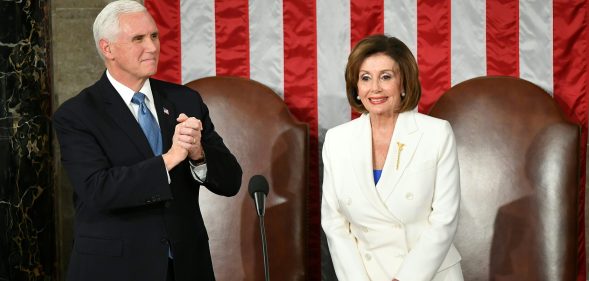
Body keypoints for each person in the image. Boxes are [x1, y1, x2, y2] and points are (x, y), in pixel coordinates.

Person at [53, 1, 242, 280]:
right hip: (115, 268)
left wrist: (197, 153)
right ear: (108, 49)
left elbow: (231, 182)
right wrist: (171, 158)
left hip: (186, 266)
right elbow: (98, 190)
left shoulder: (185, 100)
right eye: (138, 39)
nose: (152, 47)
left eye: (154, 36)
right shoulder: (77, 114)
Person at [321, 34, 463, 281]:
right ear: (356, 87)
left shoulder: (436, 134)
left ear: (404, 82)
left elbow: (445, 219)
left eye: (385, 77)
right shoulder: (337, 140)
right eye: (365, 78)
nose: (374, 88)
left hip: (426, 275)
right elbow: (334, 224)